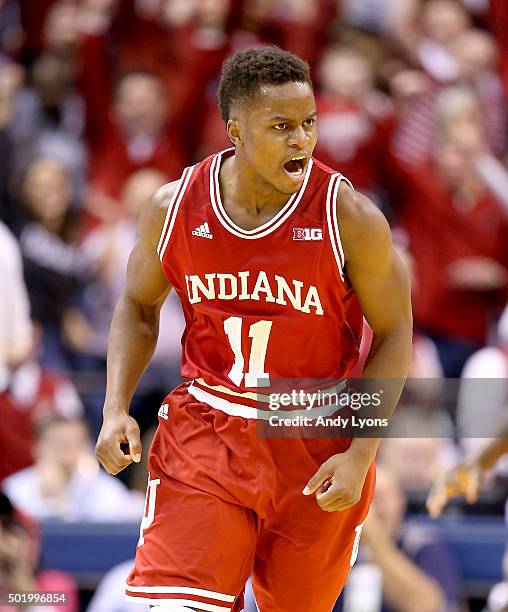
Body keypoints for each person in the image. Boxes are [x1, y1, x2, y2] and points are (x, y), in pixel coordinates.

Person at [95, 46, 412, 612]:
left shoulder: (350, 217)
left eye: (309, 123)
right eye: (282, 126)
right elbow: (137, 308)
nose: (302, 140)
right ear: (235, 131)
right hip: (210, 427)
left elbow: (394, 331)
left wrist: (363, 453)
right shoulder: (172, 208)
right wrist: (115, 405)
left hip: (315, 438)